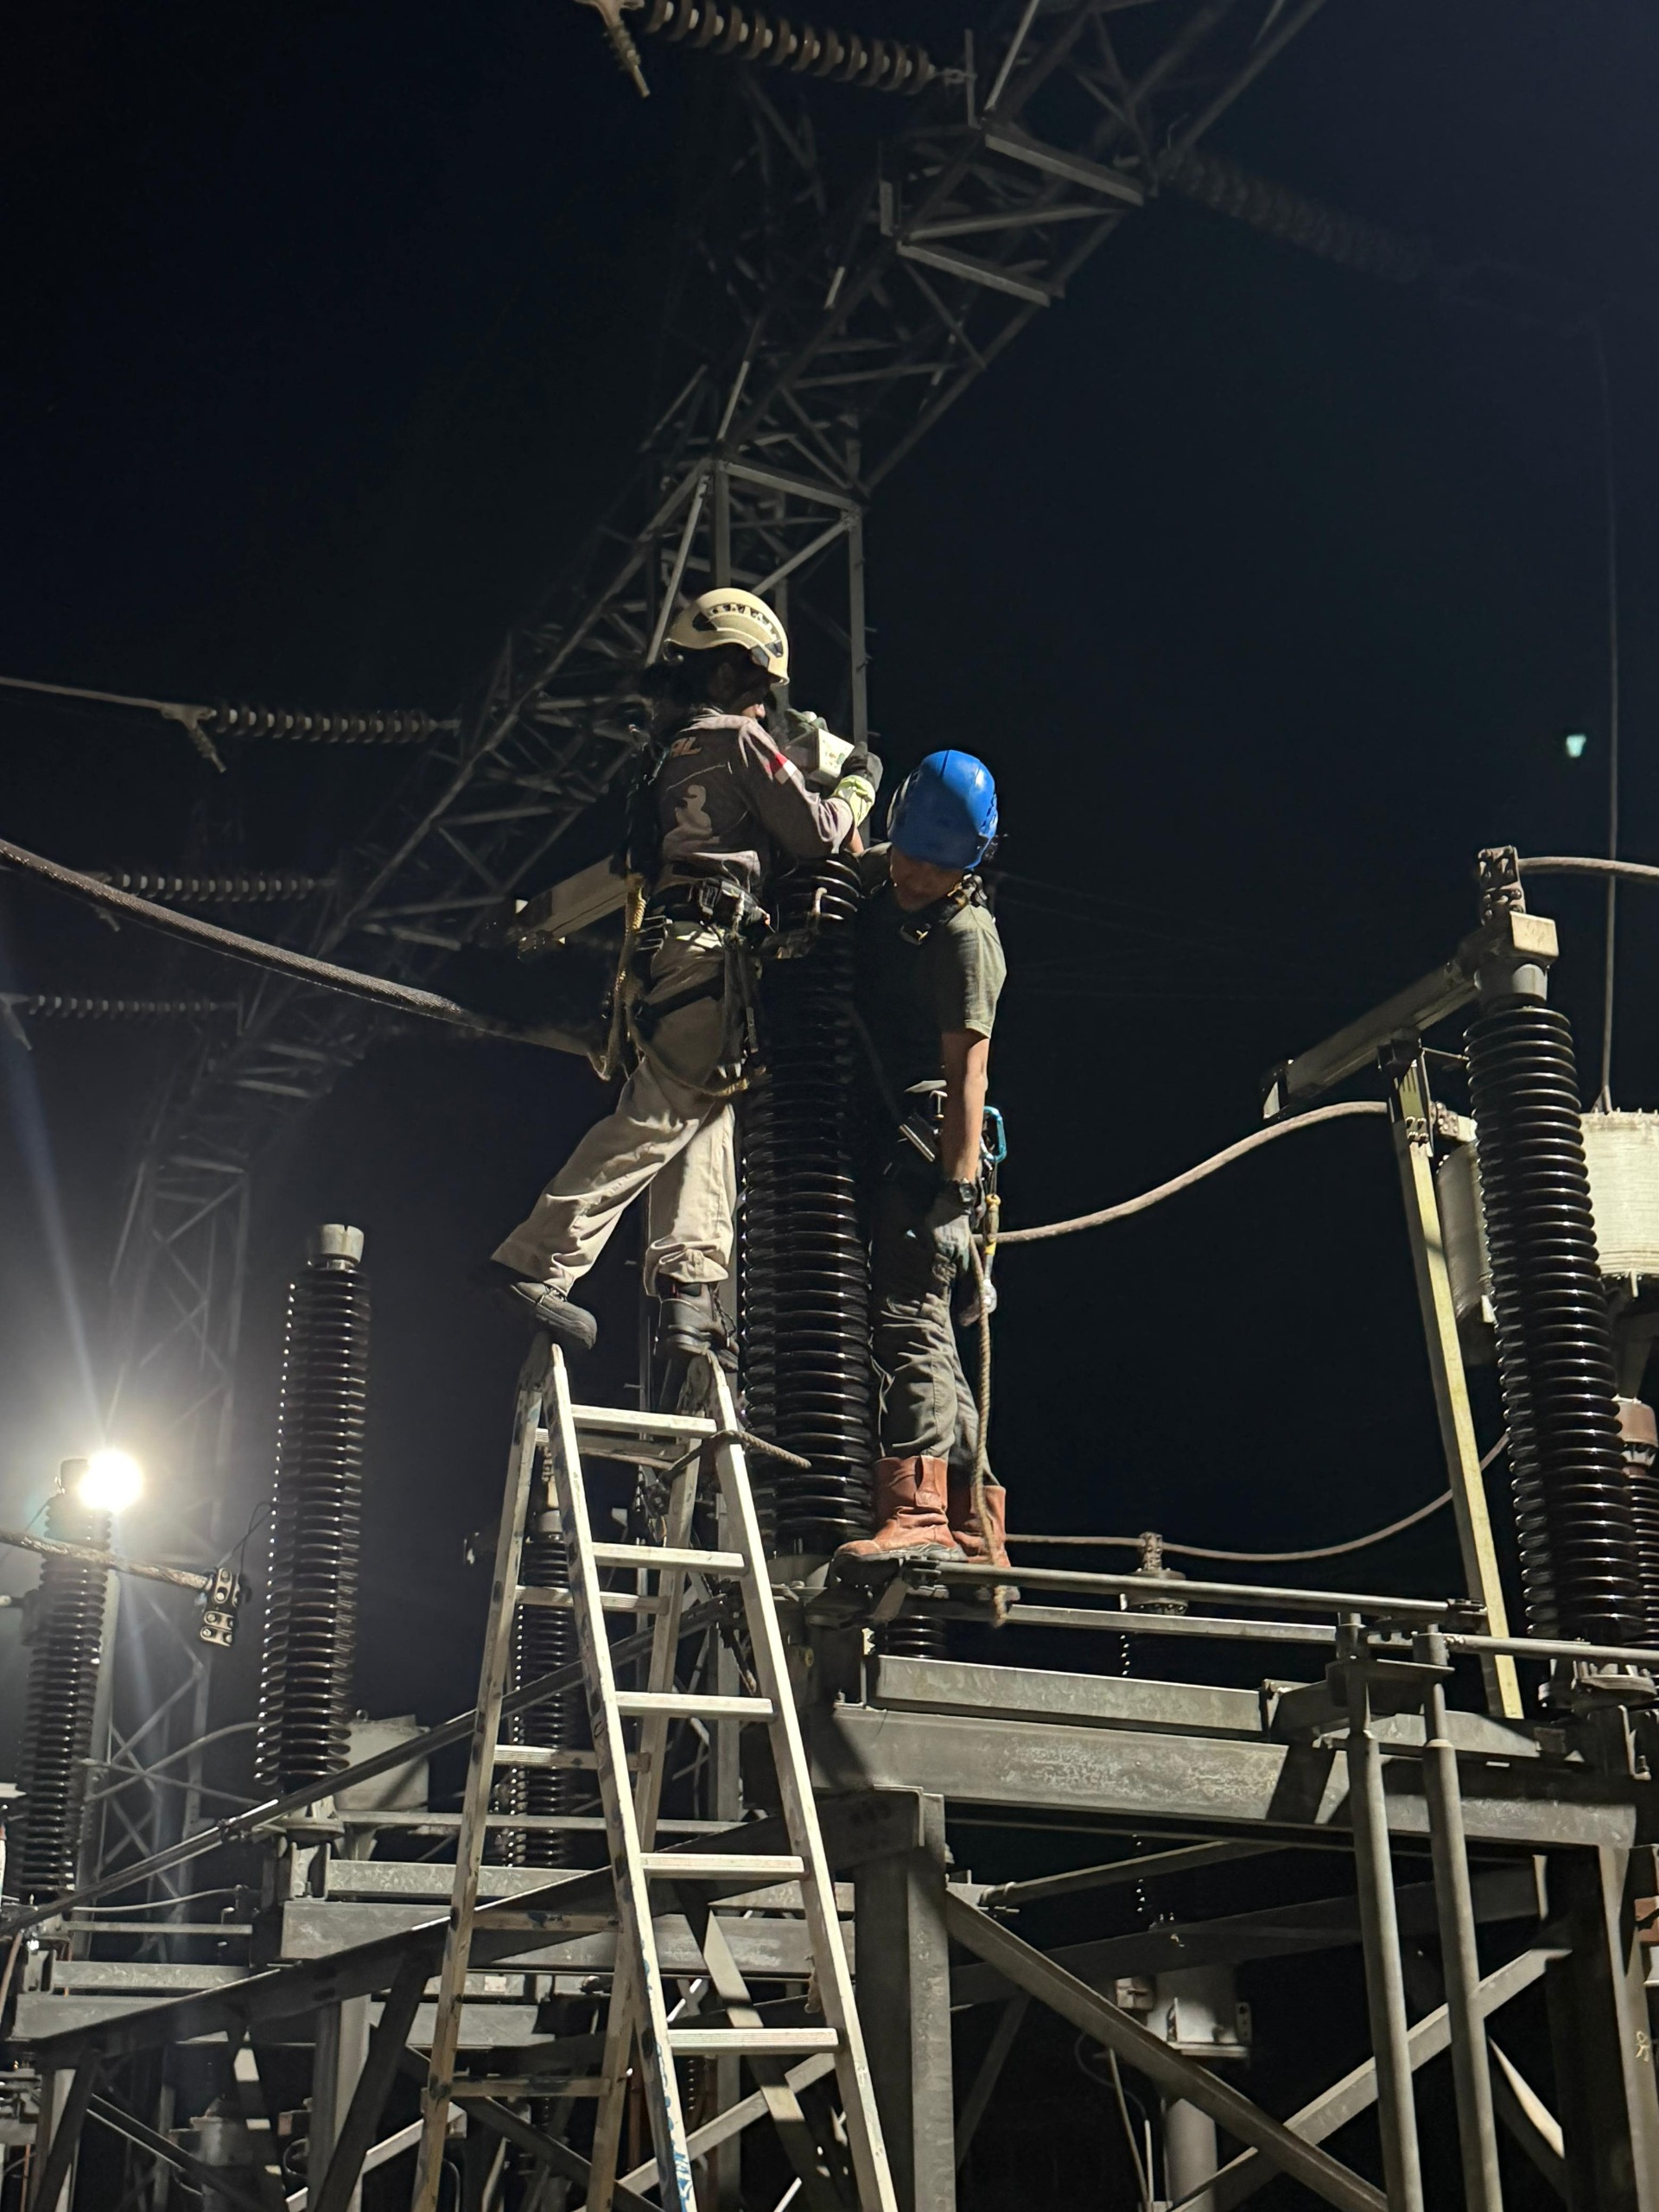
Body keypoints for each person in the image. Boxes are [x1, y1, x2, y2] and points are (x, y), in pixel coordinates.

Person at [485, 588, 877, 1359]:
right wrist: (859, 780)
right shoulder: (738, 740)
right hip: (709, 948)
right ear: (734, 675)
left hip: (677, 950)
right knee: (662, 1114)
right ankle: (533, 1263)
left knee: (706, 1110)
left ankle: (690, 1294)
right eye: (762, 688)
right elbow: (816, 834)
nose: (768, 706)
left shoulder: (672, 752)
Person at [836, 750, 1008, 1567]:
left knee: (911, 1319)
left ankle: (923, 1514)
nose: (909, 872)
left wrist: (956, 1187)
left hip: (927, 1147)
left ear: (967, 864)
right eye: (905, 851)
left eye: (933, 865)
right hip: (887, 1136)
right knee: (930, 1330)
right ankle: (979, 1522)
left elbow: (967, 1069)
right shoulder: (891, 876)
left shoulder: (966, 937)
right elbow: (844, 856)